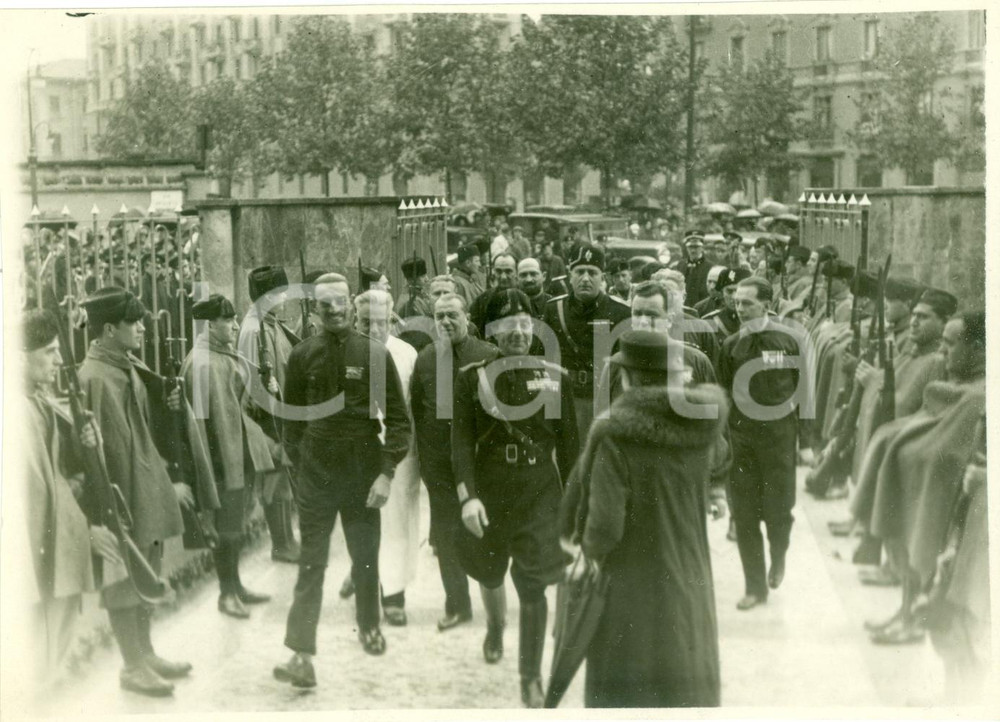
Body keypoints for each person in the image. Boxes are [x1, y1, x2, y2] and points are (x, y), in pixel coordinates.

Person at [559, 330, 727, 707]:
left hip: (631, 588)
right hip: (689, 575)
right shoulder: (699, 427)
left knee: (628, 688)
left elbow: (604, 526)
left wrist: (583, 550)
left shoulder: (616, 433)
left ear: (629, 377)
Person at [274, 273, 410, 688]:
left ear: (352, 304)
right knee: (311, 562)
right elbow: (290, 419)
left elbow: (400, 423)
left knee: (365, 556)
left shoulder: (373, 353)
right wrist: (300, 466)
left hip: (362, 467)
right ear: (314, 310)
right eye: (324, 305)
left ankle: (369, 624)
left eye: (339, 303)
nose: (333, 310)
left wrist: (386, 474)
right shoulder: (301, 355)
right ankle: (300, 653)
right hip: (317, 470)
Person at [453, 289, 579, 707]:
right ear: (490, 331)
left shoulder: (554, 375)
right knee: (489, 572)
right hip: (490, 490)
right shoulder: (473, 378)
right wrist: (468, 497)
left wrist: (576, 505)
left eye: (526, 323)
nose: (519, 332)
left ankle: (530, 676)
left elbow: (572, 449)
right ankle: (494, 625)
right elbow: (460, 443)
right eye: (508, 325)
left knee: (533, 584)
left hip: (539, 491)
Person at [78, 287, 206, 696]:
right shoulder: (94, 377)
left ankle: (146, 653)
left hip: (143, 485)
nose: (142, 328)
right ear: (110, 329)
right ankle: (132, 666)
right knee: (123, 580)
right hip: (120, 497)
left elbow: (145, 417)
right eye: (134, 323)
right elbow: (98, 453)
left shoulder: (124, 363)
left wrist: (164, 397)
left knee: (146, 573)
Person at [859, 312, 985, 647]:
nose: (943, 353)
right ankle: (905, 611)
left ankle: (915, 620)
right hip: (917, 487)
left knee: (925, 561)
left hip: (945, 500)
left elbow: (948, 451)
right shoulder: (955, 387)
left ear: (978, 348)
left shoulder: (977, 396)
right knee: (909, 552)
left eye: (950, 344)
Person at [20, 310, 117, 688]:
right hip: (40, 551)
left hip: (53, 544)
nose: (59, 361)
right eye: (49, 352)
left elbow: (62, 470)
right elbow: (39, 492)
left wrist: (85, 439)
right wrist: (85, 531)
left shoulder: (39, 400)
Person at [410, 293, 501, 631]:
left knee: (485, 532)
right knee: (448, 535)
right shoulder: (426, 358)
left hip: (481, 461)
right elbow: (419, 409)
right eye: (439, 316)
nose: (446, 322)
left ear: (467, 318)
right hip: (439, 463)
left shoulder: (489, 355)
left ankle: (495, 605)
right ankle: (457, 604)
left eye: (452, 315)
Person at [182, 294, 276, 619]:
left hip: (234, 454)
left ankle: (236, 586)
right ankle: (226, 594)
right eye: (229, 321)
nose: (235, 326)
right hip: (220, 461)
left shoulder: (221, 355)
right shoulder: (202, 363)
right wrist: (215, 468)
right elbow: (202, 422)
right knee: (226, 529)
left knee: (234, 526)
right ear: (211, 325)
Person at [717, 277, 802, 611]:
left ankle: (778, 555)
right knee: (744, 513)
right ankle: (754, 586)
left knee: (779, 510)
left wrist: (806, 441)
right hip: (742, 439)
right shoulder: (730, 346)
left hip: (779, 438)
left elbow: (803, 391)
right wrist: (722, 438)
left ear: (766, 304)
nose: (740, 309)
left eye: (747, 303)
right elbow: (722, 393)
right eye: (737, 303)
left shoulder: (790, 341)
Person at [354, 289, 421, 627]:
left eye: (381, 322)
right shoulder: (347, 351)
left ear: (391, 321)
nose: (374, 329)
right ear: (356, 320)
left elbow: (414, 409)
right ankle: (365, 580)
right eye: (367, 322)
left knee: (397, 526)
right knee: (362, 521)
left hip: (397, 453)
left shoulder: (406, 354)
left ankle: (393, 595)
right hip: (357, 451)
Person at [241, 266, 301, 564]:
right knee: (275, 481)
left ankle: (288, 539)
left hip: (282, 412)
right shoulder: (253, 330)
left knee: (284, 480)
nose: (285, 297)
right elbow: (250, 382)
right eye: (279, 293)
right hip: (267, 416)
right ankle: (281, 543)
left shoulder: (271, 323)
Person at [542, 243, 631, 440]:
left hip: (603, 399)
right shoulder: (554, 309)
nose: (585, 279)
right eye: (579, 271)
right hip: (564, 397)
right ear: (569, 275)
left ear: (603, 277)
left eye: (592, 272)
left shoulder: (622, 312)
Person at [469, 253, 518, 338]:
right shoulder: (483, 300)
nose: (503, 277)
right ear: (493, 271)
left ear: (516, 272)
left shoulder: (526, 297)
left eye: (508, 271)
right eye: (499, 271)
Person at [703, 268, 751, 345]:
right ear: (722, 293)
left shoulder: (766, 318)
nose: (734, 296)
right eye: (729, 291)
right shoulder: (710, 322)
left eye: (739, 291)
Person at [678, 233, 712, 307]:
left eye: (696, 247)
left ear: (702, 248)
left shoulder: (710, 267)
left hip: (702, 307)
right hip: (683, 306)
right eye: (690, 247)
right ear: (686, 248)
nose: (693, 251)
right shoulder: (681, 264)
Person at [452, 243, 486, 309]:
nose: (479, 264)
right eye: (477, 261)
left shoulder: (470, 279)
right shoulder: (458, 283)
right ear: (468, 263)